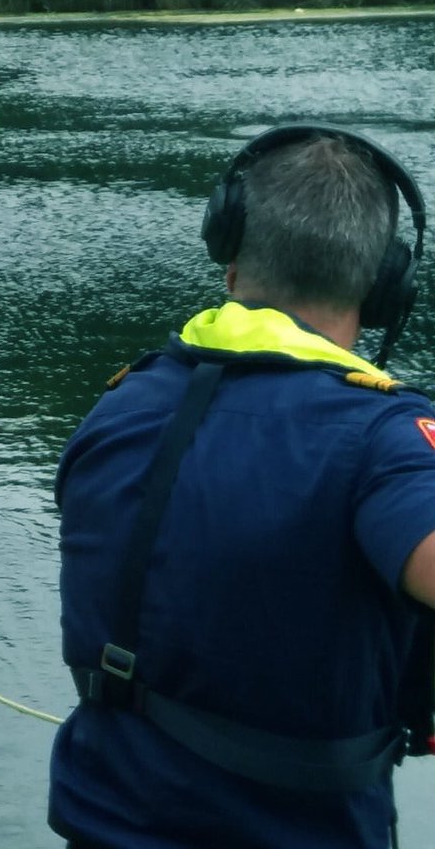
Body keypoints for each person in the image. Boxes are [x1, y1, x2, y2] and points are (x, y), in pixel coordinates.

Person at [50, 124, 435, 849]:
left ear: (228, 260)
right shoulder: (380, 436)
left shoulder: (117, 406)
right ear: (384, 284)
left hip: (98, 822)